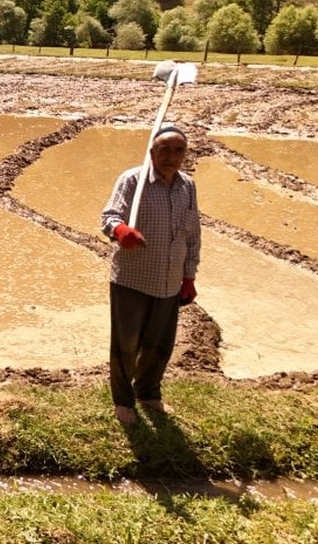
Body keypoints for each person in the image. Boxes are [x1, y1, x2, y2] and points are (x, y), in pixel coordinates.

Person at [100, 124, 201, 425]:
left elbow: (192, 233)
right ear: (152, 151)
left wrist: (189, 275)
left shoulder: (187, 186)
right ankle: (122, 400)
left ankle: (148, 392)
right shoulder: (134, 180)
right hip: (133, 277)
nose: (171, 156)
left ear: (185, 154)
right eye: (164, 149)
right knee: (126, 343)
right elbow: (109, 216)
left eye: (178, 150)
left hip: (170, 279)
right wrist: (121, 231)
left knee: (160, 343)